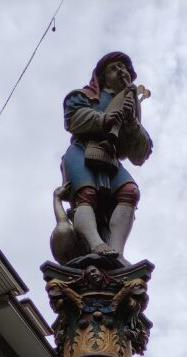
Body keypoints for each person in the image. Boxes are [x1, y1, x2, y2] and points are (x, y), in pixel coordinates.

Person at [59, 52, 153, 265]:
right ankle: (96, 244)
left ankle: (116, 251)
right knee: (86, 193)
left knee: (130, 191)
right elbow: (73, 119)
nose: (121, 71)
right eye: (114, 67)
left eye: (124, 68)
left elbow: (140, 154)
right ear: (102, 76)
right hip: (83, 151)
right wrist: (103, 119)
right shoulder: (86, 96)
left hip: (110, 159)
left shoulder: (131, 104)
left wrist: (133, 125)